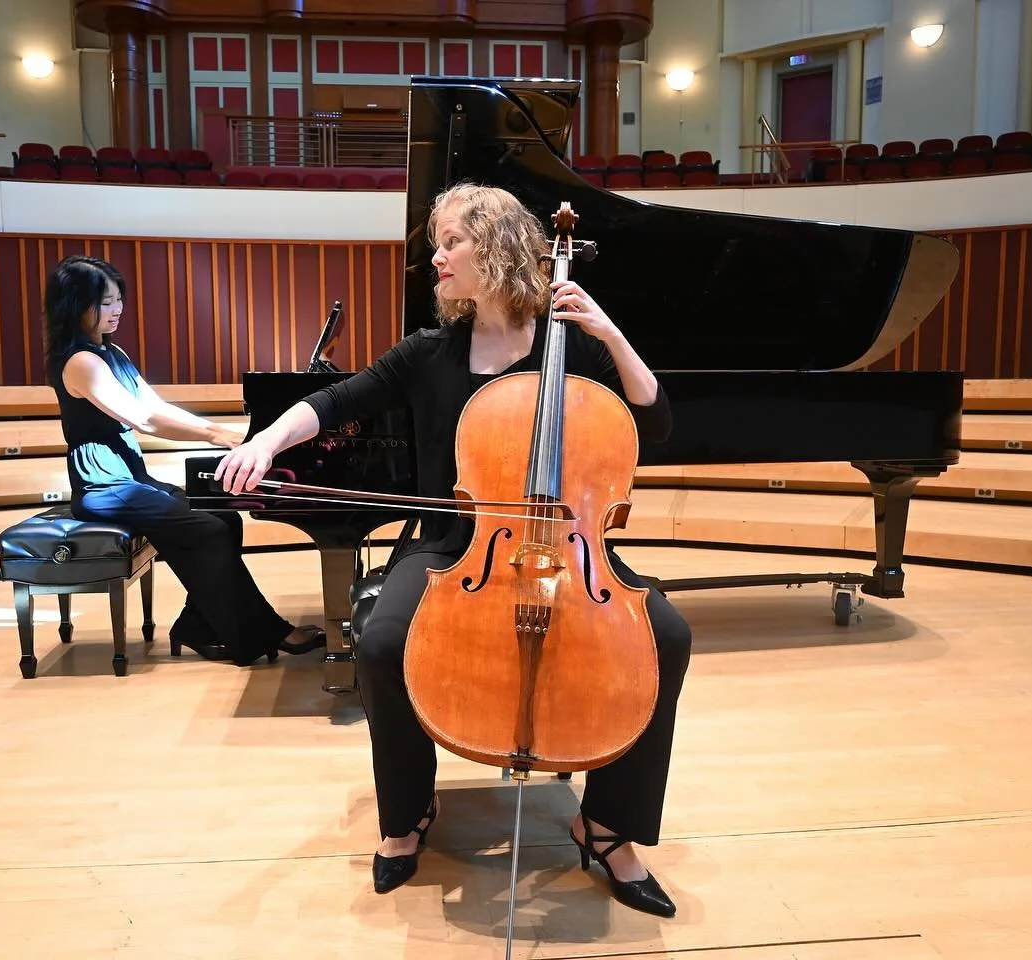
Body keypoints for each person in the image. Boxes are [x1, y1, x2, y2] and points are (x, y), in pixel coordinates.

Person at [215, 184, 693, 917]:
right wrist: (267, 438)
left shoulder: (570, 349)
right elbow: (338, 400)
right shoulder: (432, 353)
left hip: (569, 546)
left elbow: (654, 421)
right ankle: (408, 814)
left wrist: (609, 333)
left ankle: (605, 824)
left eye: (450, 242)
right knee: (379, 645)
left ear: (495, 246)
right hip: (454, 547)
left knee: (666, 635)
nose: (435, 256)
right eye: (437, 243)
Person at [43, 254, 324, 667]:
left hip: (129, 479)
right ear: (74, 303)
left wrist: (226, 432)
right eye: (105, 301)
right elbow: (143, 418)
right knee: (207, 529)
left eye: (118, 299)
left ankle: (199, 625)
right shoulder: (80, 361)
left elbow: (157, 405)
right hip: (104, 486)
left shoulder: (111, 353)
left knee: (223, 518)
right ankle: (264, 632)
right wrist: (217, 435)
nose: (117, 308)